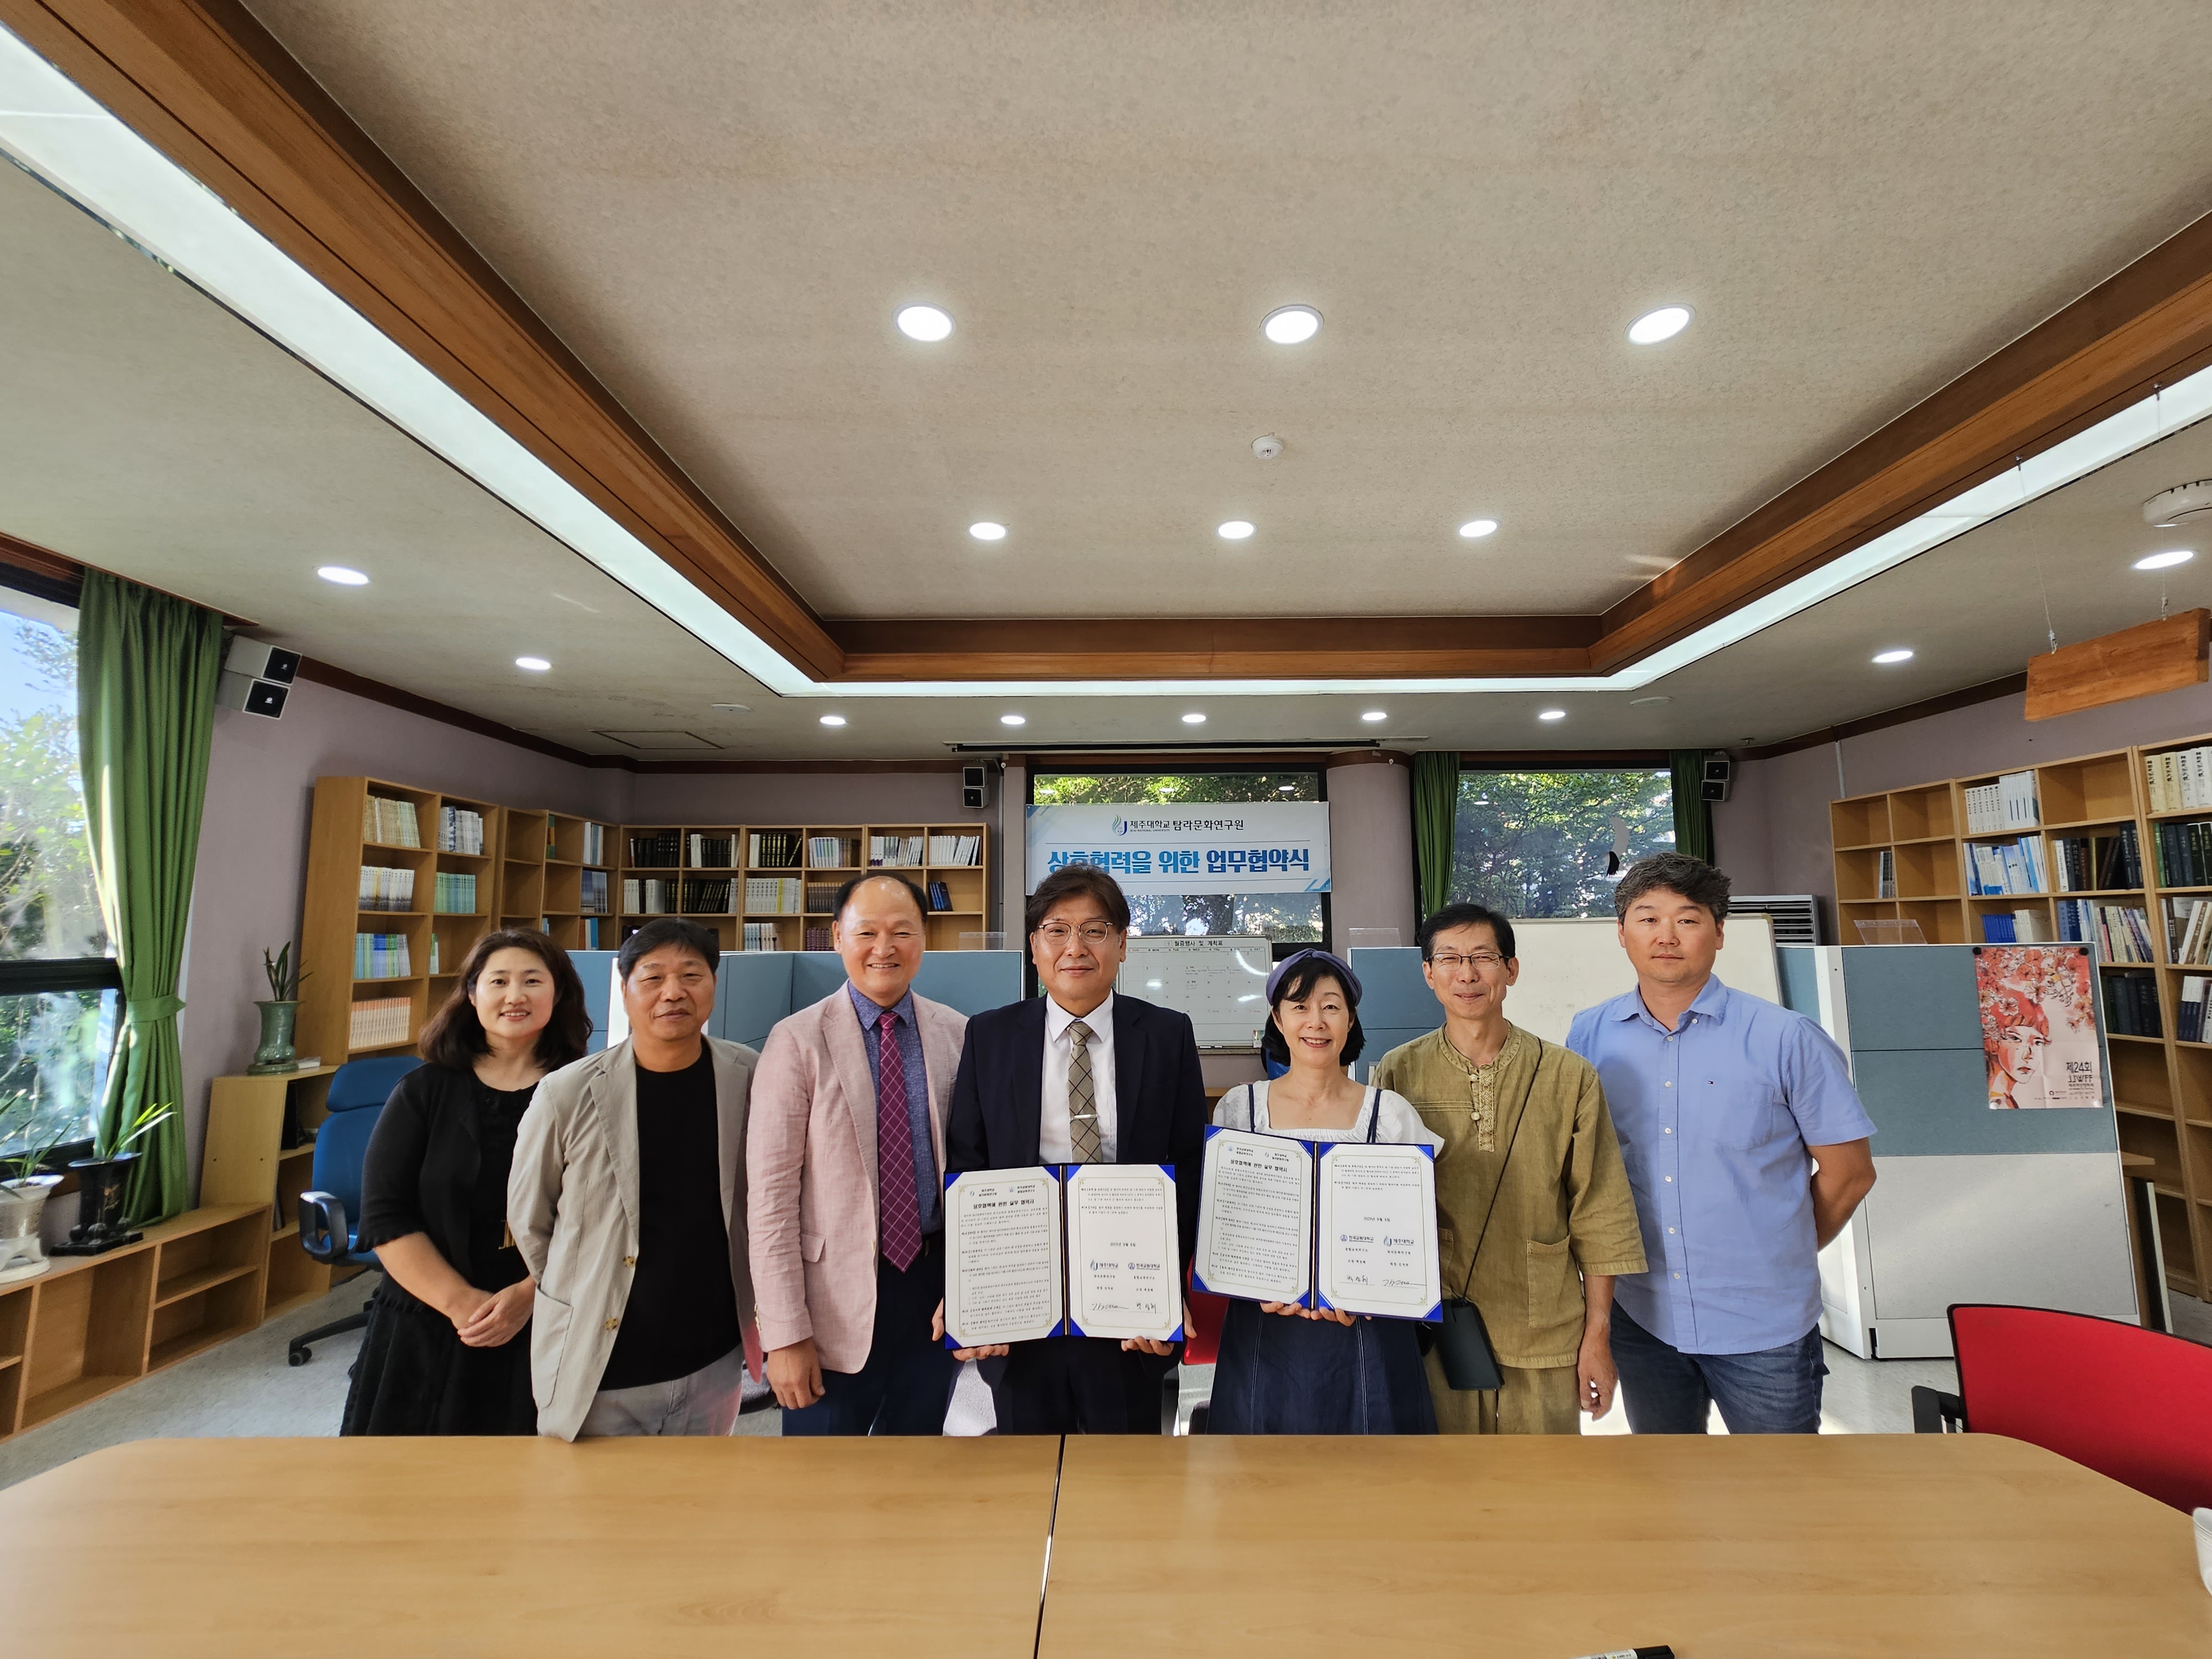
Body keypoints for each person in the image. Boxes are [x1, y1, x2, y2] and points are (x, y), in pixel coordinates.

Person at [1567, 852, 1877, 1435]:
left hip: (1764, 1322)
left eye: (1686, 919)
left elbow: (1850, 1173)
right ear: (1621, 933)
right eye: (1647, 918)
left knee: (1778, 1497)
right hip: (1643, 1315)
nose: (1666, 936)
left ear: (1718, 933)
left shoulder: (1786, 1038)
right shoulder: (1590, 1033)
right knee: (1666, 1491)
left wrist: (1779, 1250)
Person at [942, 863, 1208, 1433]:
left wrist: (1165, 1290)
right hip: (1022, 1300)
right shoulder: (989, 1035)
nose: (1075, 947)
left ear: (1121, 945)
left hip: (1127, 1301)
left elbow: (1188, 1165)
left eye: (1094, 930)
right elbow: (968, 1163)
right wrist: (967, 1289)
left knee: (1127, 1482)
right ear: (1035, 947)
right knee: (1029, 1473)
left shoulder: (1166, 1034)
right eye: (1057, 930)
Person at [1370, 902, 1647, 1436]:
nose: (1467, 974)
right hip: (1433, 1325)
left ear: (1511, 970)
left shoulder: (1569, 1075)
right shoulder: (1398, 1071)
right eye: (1449, 959)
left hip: (1544, 1327)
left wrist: (1597, 1339)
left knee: (1543, 1495)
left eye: (1483, 957)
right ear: (1428, 973)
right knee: (1440, 1492)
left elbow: (1601, 1211)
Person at [509, 917, 759, 1439]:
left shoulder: (749, 1075)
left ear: (714, 984)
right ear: (624, 992)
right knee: (593, 1513)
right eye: (653, 979)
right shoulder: (567, 1093)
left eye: (692, 975)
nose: (674, 993)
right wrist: (579, 1287)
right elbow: (530, 1221)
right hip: (602, 1355)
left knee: (695, 1507)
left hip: (711, 1354)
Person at [342, 929, 591, 1435]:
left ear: (558, 993)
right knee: (411, 1488)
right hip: (428, 1315)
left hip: (548, 1318)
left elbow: (602, 1217)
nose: (514, 995)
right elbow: (385, 1214)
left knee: (533, 1489)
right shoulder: (423, 1090)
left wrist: (527, 1295)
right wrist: (464, 1306)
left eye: (532, 981)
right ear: (473, 994)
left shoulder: (587, 1089)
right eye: (498, 981)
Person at [750, 874, 967, 1433]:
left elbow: (975, 1173)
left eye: (902, 932)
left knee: (915, 1475)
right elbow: (770, 1202)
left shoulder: (958, 1035)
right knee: (822, 1497)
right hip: (828, 1310)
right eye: (866, 931)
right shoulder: (796, 1041)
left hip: (932, 1293)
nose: (883, 948)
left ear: (925, 939)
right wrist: (784, 1335)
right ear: (836, 937)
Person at [1207, 948, 1439, 1434]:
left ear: (1351, 1019)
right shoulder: (1238, 1109)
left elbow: (1416, 1228)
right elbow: (1226, 1223)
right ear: (1277, 1017)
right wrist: (1261, 1282)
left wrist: (1367, 1285)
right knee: (1261, 1477)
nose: (1316, 1021)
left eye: (1332, 1007)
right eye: (1300, 1006)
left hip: (1368, 1325)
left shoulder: (1389, 1112)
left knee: (1373, 1479)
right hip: (1264, 1322)